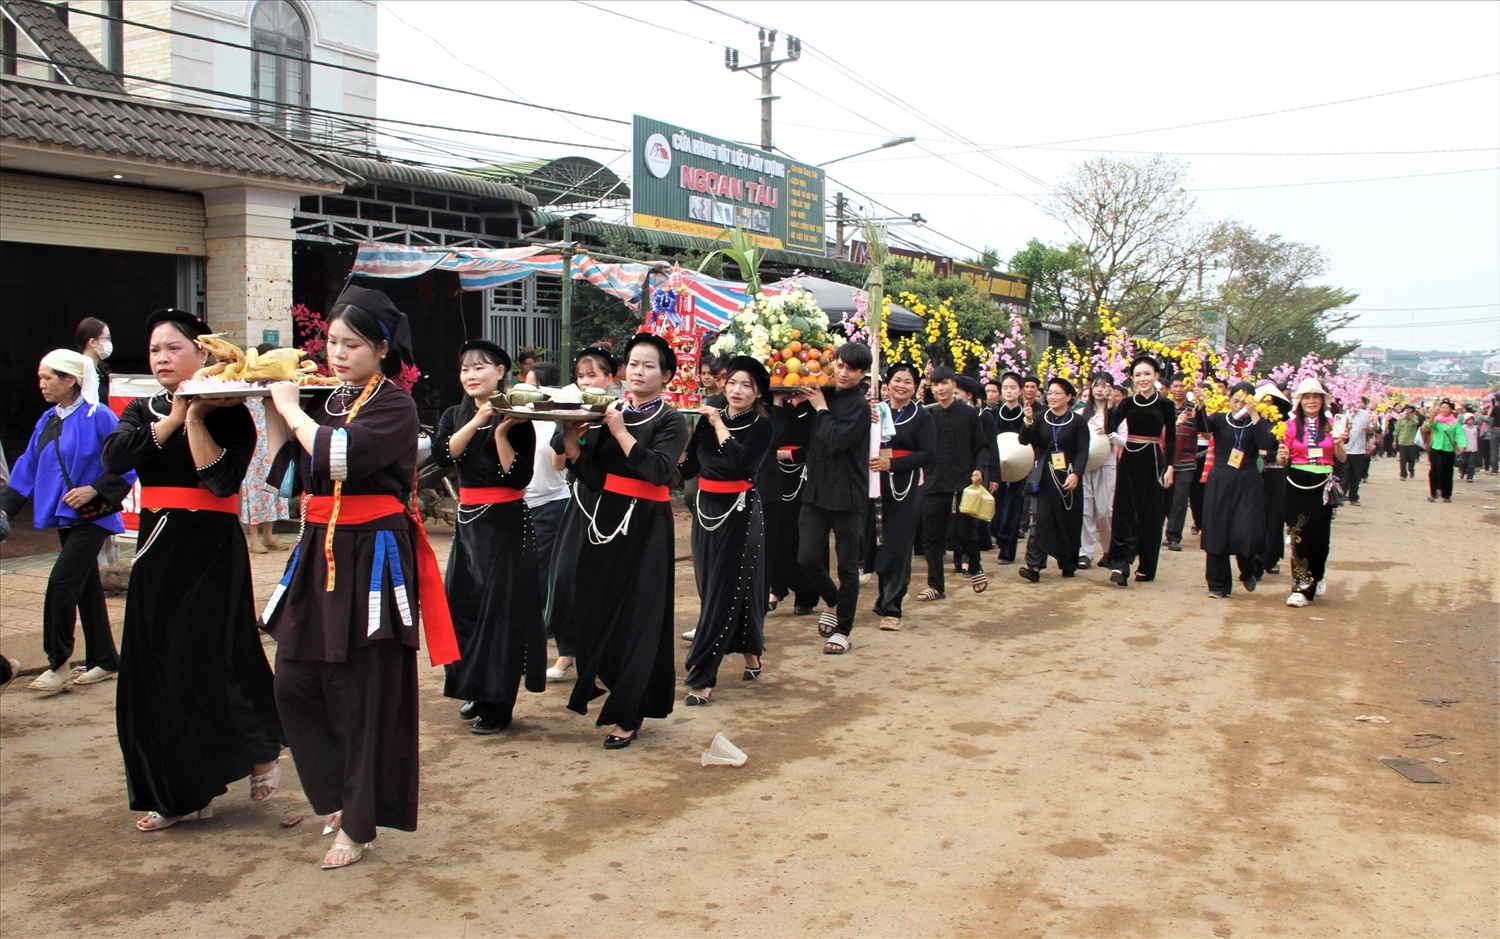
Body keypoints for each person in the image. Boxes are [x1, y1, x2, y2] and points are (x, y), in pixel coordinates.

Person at [262, 285, 459, 869]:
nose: (338, 353)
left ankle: (359, 821)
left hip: (374, 554)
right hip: (317, 550)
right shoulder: (325, 401)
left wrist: (293, 410)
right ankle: (335, 795)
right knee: (293, 681)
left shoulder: (395, 405)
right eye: (332, 341)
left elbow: (339, 456)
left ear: (381, 349)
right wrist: (273, 407)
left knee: (361, 693)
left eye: (352, 344)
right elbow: (289, 479)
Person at [104, 308, 284, 831]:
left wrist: (199, 416)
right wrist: (177, 415)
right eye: (154, 349)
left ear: (202, 354)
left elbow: (221, 481)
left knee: (208, 658)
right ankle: (183, 792)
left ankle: (259, 749)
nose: (161, 357)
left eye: (173, 348)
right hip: (156, 551)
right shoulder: (141, 409)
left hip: (210, 551)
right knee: (152, 670)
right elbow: (116, 458)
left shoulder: (233, 410)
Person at [558, 334, 690, 748]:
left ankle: (627, 714)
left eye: (649, 365)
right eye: (633, 363)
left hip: (649, 525)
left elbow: (660, 472)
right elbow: (597, 478)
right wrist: (572, 448)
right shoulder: (607, 412)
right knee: (593, 608)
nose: (638, 371)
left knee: (639, 618)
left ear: (666, 376)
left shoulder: (671, 420)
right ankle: (611, 682)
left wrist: (619, 432)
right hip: (606, 520)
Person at [0, 349, 132, 691]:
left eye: (48, 378)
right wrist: (5, 509)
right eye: (40, 378)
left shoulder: (98, 415)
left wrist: (94, 489)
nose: (41, 384)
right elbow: (27, 465)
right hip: (65, 516)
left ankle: (57, 663)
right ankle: (106, 659)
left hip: (94, 516)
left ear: (71, 379)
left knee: (61, 584)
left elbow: (126, 461)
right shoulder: (48, 419)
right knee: (86, 588)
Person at [433, 340, 544, 735]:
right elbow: (444, 455)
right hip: (468, 524)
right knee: (462, 608)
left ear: (500, 372)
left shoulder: (519, 417)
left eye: (480, 367)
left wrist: (500, 433)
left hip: (505, 524)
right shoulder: (454, 414)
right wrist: (478, 420)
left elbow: (518, 478)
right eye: (465, 369)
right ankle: (473, 689)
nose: (471, 375)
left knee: (500, 614)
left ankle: (498, 703)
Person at [680, 356, 773, 704]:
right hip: (705, 510)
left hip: (740, 512)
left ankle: (702, 676)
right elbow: (688, 468)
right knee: (718, 587)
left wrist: (719, 424)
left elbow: (742, 464)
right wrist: (679, 436)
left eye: (746, 385)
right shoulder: (708, 420)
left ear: (758, 392)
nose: (737, 390)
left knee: (723, 590)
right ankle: (751, 651)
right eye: (732, 382)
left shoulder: (762, 426)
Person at [794, 342, 874, 655]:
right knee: (806, 558)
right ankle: (833, 599)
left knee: (848, 567)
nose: (842, 373)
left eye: (851, 369)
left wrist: (821, 408)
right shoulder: (822, 393)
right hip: (816, 490)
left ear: (862, 374)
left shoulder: (860, 407)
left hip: (848, 494)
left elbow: (836, 439)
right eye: (840, 365)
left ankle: (843, 630)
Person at [544, 347, 617, 681]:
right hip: (581, 502)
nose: (586, 382)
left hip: (613, 505)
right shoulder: (571, 412)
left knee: (603, 581)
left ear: (609, 378)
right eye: (580, 376)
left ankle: (602, 654)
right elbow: (557, 463)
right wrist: (572, 433)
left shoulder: (618, 414)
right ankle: (567, 651)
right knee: (564, 577)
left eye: (593, 375)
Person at [914, 366, 990, 601]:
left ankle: (975, 566)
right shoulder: (927, 414)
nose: (940, 389)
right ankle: (936, 585)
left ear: (953, 385)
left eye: (944, 383)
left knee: (964, 531)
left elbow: (982, 447)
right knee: (931, 536)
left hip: (962, 482)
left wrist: (979, 469)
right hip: (933, 481)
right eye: (935, 385)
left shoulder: (969, 414)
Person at [1197, 382, 1278, 598]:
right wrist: (1201, 406)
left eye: (1244, 402)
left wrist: (1254, 415)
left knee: (1245, 529)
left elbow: (1267, 443)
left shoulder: (1257, 422)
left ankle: (1249, 569)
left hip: (1248, 479)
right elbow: (1203, 429)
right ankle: (1218, 584)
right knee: (1217, 530)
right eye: (1235, 400)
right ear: (1229, 399)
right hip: (1221, 478)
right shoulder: (1219, 419)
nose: (1238, 405)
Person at [1102, 355, 1177, 587]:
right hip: (1130, 459)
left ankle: (1146, 566)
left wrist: (1170, 467)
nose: (1142, 379)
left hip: (1153, 459)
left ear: (1156, 376)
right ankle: (1120, 564)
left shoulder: (1166, 404)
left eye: (1147, 374)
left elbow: (1171, 439)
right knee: (1124, 511)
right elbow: (1110, 427)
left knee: (1151, 513)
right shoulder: (1127, 403)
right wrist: (1110, 405)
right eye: (1137, 375)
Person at [870, 362, 934, 631]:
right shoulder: (877, 411)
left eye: (908, 381)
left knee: (900, 541)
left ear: (915, 386)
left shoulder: (921, 416)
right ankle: (885, 596)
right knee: (880, 539)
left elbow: (927, 454)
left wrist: (893, 464)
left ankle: (893, 607)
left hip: (906, 484)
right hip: (877, 481)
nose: (901, 385)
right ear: (888, 383)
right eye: (897, 380)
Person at [1277, 377, 1347, 607]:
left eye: (1316, 396)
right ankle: (1301, 588)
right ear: (1299, 401)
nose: (1311, 401)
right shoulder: (1288, 426)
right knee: (1298, 536)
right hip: (1297, 483)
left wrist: (1338, 442)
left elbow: (1342, 457)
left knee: (1319, 537)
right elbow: (1282, 459)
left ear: (1323, 400)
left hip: (1322, 484)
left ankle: (1318, 573)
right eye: (1306, 397)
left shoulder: (1333, 424)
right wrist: (1281, 456)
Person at [1017, 377, 1091, 582]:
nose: (1053, 397)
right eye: (1050, 393)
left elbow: (1083, 451)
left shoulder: (1078, 422)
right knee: (1041, 519)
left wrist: (1076, 474)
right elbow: (1024, 440)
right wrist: (1027, 422)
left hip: (1068, 475)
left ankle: (1068, 562)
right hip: (1044, 475)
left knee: (1068, 519)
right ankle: (1034, 565)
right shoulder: (1040, 417)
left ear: (1069, 397)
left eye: (1058, 393)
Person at [521, 362, 569, 608]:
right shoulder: (520, 420)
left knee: (540, 572)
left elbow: (558, 464)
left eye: (533, 386)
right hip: (520, 505)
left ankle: (541, 620)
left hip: (550, 504)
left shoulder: (557, 422)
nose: (526, 392)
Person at [768, 395, 820, 615]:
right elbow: (772, 438)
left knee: (800, 536)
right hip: (778, 476)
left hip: (804, 474)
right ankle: (777, 587)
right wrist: (777, 403)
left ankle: (806, 594)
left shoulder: (817, 405)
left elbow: (818, 444)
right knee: (775, 532)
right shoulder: (779, 406)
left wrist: (788, 454)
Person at [239, 343, 291, 553]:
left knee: (273, 487)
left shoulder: (279, 383)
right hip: (253, 444)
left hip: (273, 442)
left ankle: (269, 536)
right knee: (254, 489)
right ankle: (254, 539)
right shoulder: (247, 382)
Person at [1079, 374, 1127, 569]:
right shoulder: (1082, 413)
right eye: (1096, 385)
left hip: (1106, 465)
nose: (1099, 390)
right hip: (1085, 467)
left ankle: (1109, 549)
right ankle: (1085, 552)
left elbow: (1125, 442)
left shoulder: (1118, 415)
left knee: (1105, 510)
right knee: (1086, 510)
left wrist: (1109, 434)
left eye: (1104, 386)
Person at [990, 373, 1029, 565]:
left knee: (1013, 507)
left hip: (1019, 465)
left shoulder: (1026, 414)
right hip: (998, 465)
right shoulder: (995, 413)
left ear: (1020, 391)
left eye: (1013, 388)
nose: (1009, 391)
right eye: (1005, 388)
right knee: (997, 505)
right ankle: (996, 537)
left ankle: (1007, 550)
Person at [1254, 383, 1292, 576]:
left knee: (1274, 516)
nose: (1265, 404)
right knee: (1255, 515)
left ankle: (1272, 557)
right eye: (1262, 400)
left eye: (1268, 401)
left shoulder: (1283, 424)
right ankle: (1255, 558)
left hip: (1276, 473)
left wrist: (1267, 453)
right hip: (1254, 473)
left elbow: (1287, 450)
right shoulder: (1253, 421)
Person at [1163, 376, 1200, 551]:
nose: (1178, 389)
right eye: (1176, 386)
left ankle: (1173, 537)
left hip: (1186, 461)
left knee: (1179, 499)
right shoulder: (1164, 407)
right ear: (1170, 388)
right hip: (1165, 460)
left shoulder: (1194, 409)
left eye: (1182, 386)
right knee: (1165, 499)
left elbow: (1206, 433)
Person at [1423, 399, 1462, 503]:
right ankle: (1433, 493)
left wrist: (1462, 445)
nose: (1444, 409)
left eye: (1446, 408)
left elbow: (1459, 434)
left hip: (1449, 449)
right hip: (1436, 448)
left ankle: (1446, 495)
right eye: (1442, 407)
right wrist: (1432, 415)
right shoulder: (1436, 420)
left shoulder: (1455, 422)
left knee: (1447, 471)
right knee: (1435, 470)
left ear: (1451, 410)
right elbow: (1428, 426)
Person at [1341, 396, 1373, 505]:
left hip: (1358, 450)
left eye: (1358, 402)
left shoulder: (1365, 414)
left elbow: (1371, 429)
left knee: (1356, 474)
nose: (1355, 404)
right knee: (1344, 474)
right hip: (1345, 449)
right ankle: (1342, 495)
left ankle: (1354, 497)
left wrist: (1368, 429)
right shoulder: (1344, 413)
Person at [76, 317, 113, 405]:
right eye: (107, 338)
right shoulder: (81, 370)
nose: (109, 343)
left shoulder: (100, 370)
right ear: (92, 342)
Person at [1394, 405, 1423, 480]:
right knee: (1402, 459)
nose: (1407, 411)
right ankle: (1403, 474)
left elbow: (1416, 423)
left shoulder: (1415, 418)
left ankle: (1411, 470)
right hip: (1402, 441)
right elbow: (1396, 430)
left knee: (1412, 459)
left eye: (1409, 409)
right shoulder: (1401, 419)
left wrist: (1410, 416)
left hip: (1411, 442)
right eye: (1406, 409)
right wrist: (1395, 441)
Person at [1459, 413, 1480, 482]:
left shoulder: (1475, 428)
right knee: (1464, 462)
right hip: (1465, 448)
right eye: (1469, 420)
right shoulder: (1463, 428)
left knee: (1471, 463)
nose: (1470, 421)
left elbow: (1476, 437)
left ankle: (1470, 476)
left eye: (1472, 420)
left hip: (1473, 448)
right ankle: (1462, 471)